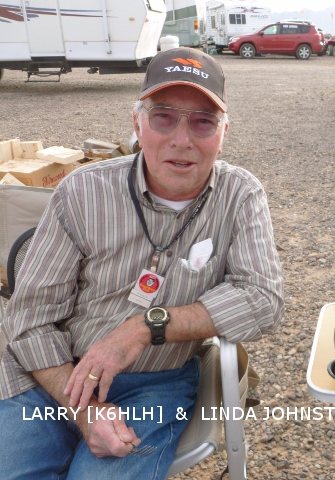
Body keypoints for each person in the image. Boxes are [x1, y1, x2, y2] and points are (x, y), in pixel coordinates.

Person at [0, 47, 284, 479]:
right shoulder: (82, 191)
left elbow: (264, 299)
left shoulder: (240, 195)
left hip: (154, 382)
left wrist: (144, 327)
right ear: (137, 123)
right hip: (49, 373)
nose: (182, 140)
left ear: (224, 132)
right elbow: (28, 318)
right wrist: (84, 410)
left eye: (203, 121)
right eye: (163, 117)